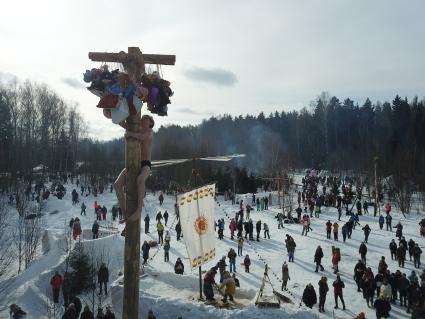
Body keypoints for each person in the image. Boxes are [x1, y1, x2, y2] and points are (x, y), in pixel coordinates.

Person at [114, 115, 154, 222]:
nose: (144, 121)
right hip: (133, 163)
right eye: (142, 120)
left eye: (146, 120)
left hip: (145, 164)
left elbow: (142, 137)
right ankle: (124, 212)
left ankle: (138, 210)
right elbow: (126, 126)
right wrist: (117, 118)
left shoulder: (149, 132)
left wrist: (129, 134)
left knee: (140, 180)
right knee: (117, 185)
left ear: (150, 123)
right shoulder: (138, 130)